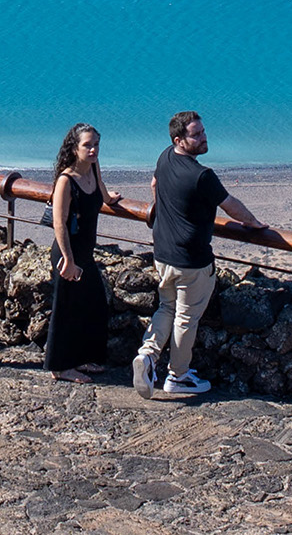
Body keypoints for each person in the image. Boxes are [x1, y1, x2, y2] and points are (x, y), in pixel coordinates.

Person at [136, 111, 269, 400]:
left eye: (203, 131)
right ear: (179, 140)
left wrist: (166, 213)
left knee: (166, 308)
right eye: (196, 135)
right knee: (185, 319)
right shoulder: (202, 176)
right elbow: (230, 205)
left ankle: (147, 355)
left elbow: (155, 186)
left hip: (163, 253)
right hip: (192, 261)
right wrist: (255, 224)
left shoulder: (164, 157)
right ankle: (178, 376)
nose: (204, 137)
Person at [47, 124, 131, 381]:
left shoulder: (93, 167)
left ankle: (83, 358)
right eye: (87, 145)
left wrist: (108, 198)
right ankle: (60, 367)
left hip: (85, 252)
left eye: (96, 144)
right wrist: (68, 261)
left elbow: (101, 187)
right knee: (66, 309)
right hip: (67, 253)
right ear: (74, 148)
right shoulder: (66, 180)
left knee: (92, 304)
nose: (93, 149)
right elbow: (59, 223)